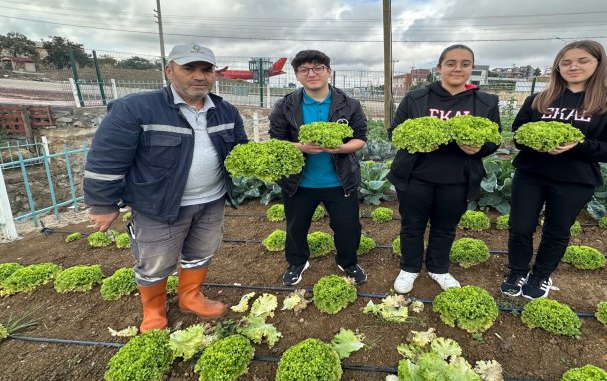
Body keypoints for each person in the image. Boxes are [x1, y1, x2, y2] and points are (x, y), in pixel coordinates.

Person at [84, 43, 248, 332]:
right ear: (169, 71)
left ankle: (190, 297)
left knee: (202, 252)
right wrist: (102, 204)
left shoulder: (226, 111)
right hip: (158, 205)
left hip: (211, 200)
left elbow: (241, 150)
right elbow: (107, 157)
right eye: (189, 68)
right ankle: (154, 311)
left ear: (214, 74)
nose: (199, 76)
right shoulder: (136, 108)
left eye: (206, 69)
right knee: (155, 262)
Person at [500, 40, 607, 299]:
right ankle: (517, 271)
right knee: (520, 227)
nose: (574, 67)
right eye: (566, 62)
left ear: (598, 64)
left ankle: (541, 275)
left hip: (575, 180)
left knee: (557, 231)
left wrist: (578, 145)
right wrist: (536, 143)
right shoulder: (539, 99)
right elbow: (518, 134)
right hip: (531, 174)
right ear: (557, 66)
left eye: (583, 61)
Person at [388, 44, 500, 293]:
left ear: (471, 68)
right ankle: (409, 267)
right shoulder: (416, 97)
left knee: (446, 227)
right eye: (451, 63)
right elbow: (395, 132)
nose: (457, 68)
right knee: (412, 225)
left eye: (465, 64)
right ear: (439, 67)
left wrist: (478, 148)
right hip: (416, 176)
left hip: (458, 179)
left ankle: (438, 268)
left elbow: (494, 139)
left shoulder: (485, 102)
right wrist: (416, 141)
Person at [268, 50, 368, 286]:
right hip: (299, 182)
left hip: (340, 181)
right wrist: (300, 147)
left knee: (348, 226)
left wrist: (341, 148)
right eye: (304, 69)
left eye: (318, 68)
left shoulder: (349, 104)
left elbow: (361, 138)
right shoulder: (285, 105)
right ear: (297, 75)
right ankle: (297, 262)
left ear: (328, 72)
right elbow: (276, 141)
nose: (311, 74)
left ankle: (348, 262)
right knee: (296, 227)